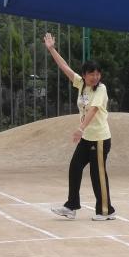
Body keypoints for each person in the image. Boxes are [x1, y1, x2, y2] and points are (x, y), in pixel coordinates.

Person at [44, 33, 116, 221]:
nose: (95, 76)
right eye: (91, 73)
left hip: (99, 138)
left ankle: (106, 211)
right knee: (75, 167)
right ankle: (71, 206)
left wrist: (81, 128)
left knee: (96, 174)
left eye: (97, 73)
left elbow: (93, 110)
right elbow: (65, 67)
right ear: (84, 75)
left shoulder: (101, 89)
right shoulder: (81, 85)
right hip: (87, 138)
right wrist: (51, 49)